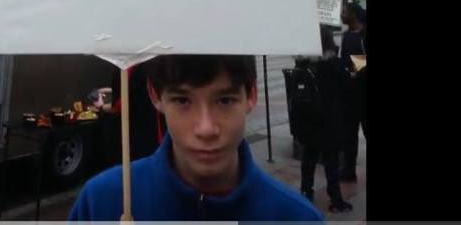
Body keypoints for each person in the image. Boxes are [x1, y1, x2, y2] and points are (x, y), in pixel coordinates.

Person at [68, 54, 322, 221]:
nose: (206, 128)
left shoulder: (296, 217)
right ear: (155, 95)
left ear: (251, 94)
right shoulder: (102, 204)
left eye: (224, 100)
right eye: (182, 100)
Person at [291, 26, 354, 212]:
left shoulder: (302, 63)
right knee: (331, 161)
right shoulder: (333, 64)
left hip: (309, 120)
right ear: (328, 41)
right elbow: (347, 87)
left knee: (308, 158)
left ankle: (306, 191)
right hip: (329, 121)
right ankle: (335, 200)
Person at [338, 2, 368, 181]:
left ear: (354, 16)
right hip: (349, 95)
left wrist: (354, 71)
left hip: (364, 94)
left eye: (344, 12)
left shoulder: (364, 34)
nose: (341, 14)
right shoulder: (346, 35)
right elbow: (345, 60)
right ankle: (349, 171)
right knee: (349, 135)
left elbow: (360, 61)